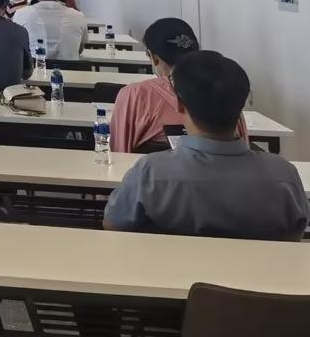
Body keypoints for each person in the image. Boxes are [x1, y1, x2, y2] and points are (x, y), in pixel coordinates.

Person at [104, 51, 308, 241]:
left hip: (172, 267)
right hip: (258, 269)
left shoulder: (150, 173)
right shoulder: (284, 176)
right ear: (241, 106)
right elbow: (293, 236)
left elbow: (114, 226)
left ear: (179, 105)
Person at [110, 18, 248, 153]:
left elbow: (119, 154)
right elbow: (241, 149)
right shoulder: (224, 90)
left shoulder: (134, 95)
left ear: (154, 57)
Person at [11, 0, 88, 61]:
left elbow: (18, 47)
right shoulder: (78, 16)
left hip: (35, 69)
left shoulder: (21, 14)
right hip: (70, 70)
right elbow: (79, 49)